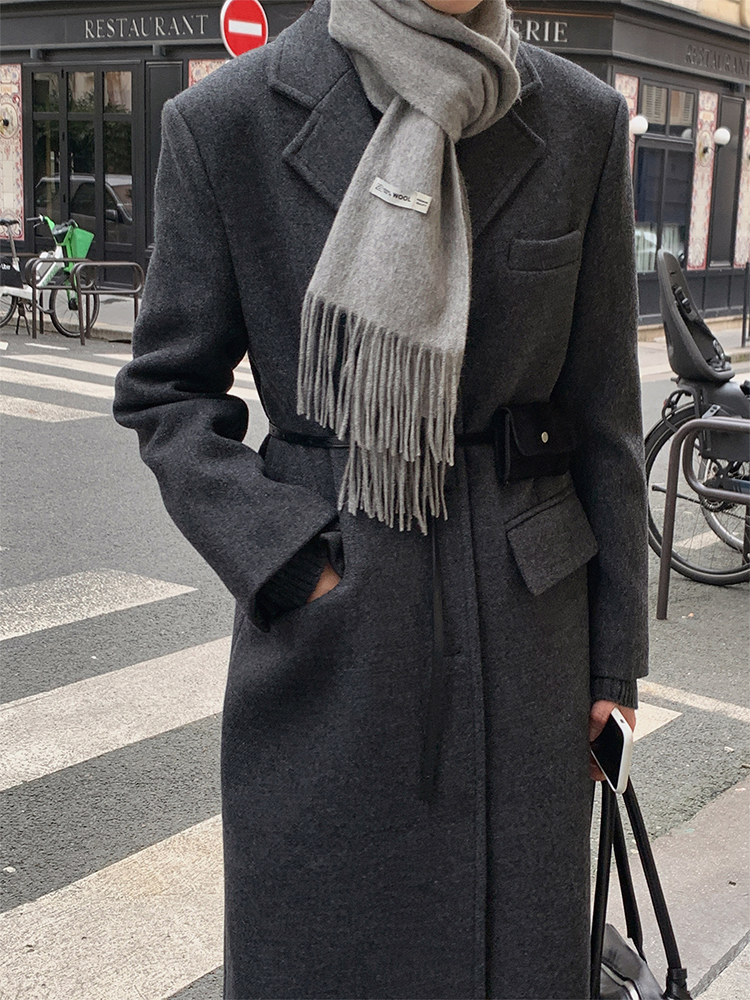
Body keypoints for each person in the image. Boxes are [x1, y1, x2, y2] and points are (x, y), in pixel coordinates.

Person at [113, 1, 647, 996]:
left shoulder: (581, 119)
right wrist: (292, 562)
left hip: (527, 640)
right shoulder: (229, 120)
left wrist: (614, 663)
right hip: (334, 637)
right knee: (328, 946)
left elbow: (605, 414)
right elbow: (167, 393)